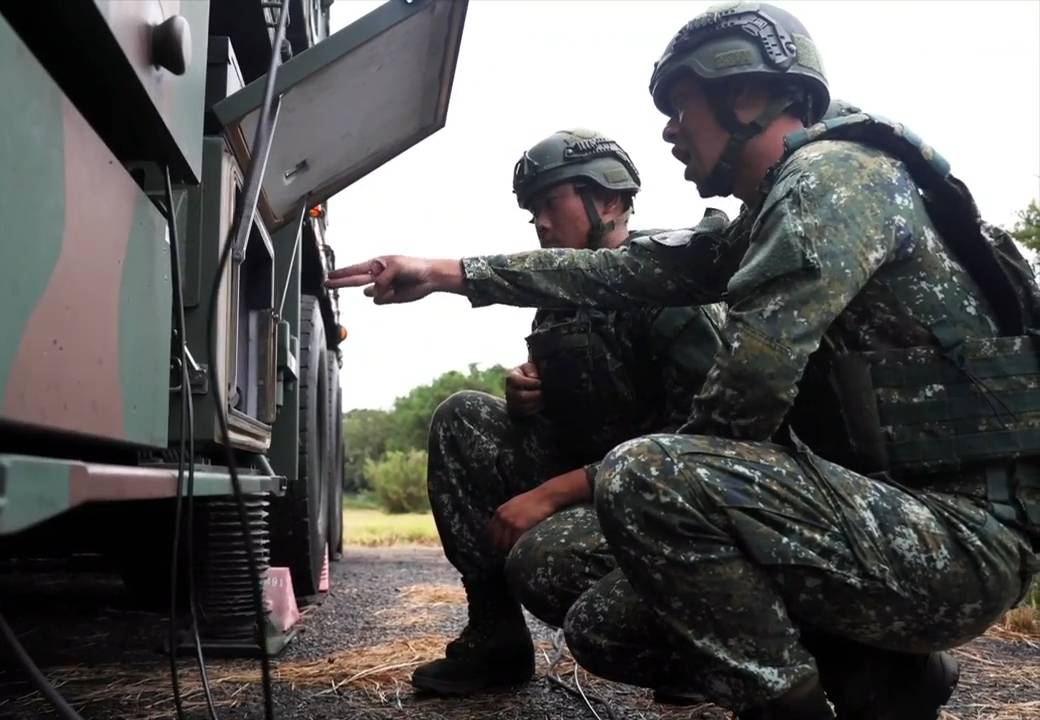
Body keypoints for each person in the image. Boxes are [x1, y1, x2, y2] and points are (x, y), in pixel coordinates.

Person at [327, 4, 1040, 718]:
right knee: (604, 624)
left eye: (679, 105)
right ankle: (875, 674)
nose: (669, 130)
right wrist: (448, 273)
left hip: (956, 542)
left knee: (651, 472)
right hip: (882, 524)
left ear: (747, 96)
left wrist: (624, 487)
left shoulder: (833, 181)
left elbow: (744, 395)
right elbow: (619, 274)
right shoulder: (776, 209)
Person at [411, 129, 728, 697]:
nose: (539, 223)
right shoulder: (558, 296)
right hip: (593, 482)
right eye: (531, 211)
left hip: (668, 505)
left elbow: (706, 446)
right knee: (465, 417)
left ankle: (701, 645)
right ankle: (496, 639)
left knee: (543, 564)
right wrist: (527, 393)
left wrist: (553, 493)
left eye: (549, 203)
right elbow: (573, 385)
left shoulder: (671, 290)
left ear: (607, 200)